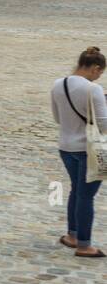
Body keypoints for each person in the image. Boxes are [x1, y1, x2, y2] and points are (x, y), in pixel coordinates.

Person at [50, 47, 107, 258]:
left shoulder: (58, 84)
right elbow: (103, 125)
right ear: (94, 68)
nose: (99, 77)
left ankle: (72, 235)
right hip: (89, 149)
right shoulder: (94, 90)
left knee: (77, 191)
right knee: (86, 197)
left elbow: (58, 118)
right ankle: (84, 244)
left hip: (65, 147)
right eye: (100, 73)